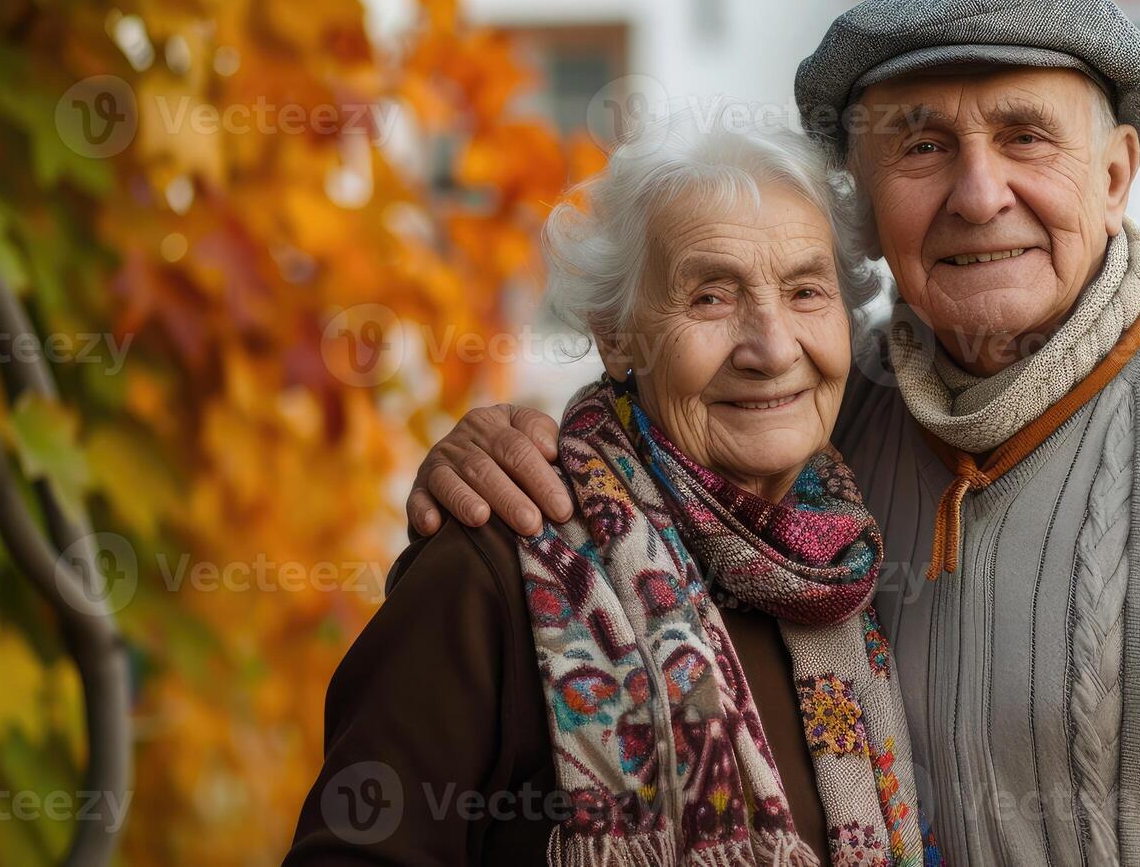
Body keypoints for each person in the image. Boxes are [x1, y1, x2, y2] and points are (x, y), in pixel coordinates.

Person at [403, 0, 1140, 866]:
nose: (977, 193)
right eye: (921, 146)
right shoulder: (821, 423)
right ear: (866, 203)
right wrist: (494, 443)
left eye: (1024, 137)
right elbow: (650, 442)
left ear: (1115, 175)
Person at [288, 114, 935, 865]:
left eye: (805, 292)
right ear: (617, 335)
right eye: (710, 299)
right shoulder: (499, 559)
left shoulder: (847, 563)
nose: (771, 347)